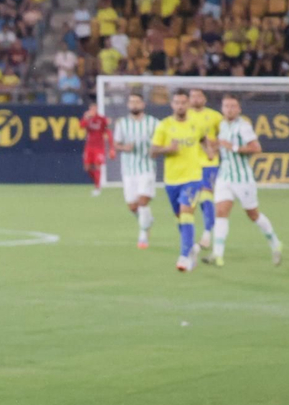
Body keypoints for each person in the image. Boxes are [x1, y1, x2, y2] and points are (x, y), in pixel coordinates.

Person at [212, 95, 284, 267]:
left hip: (242, 178)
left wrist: (233, 147)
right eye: (226, 106)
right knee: (221, 212)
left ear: (239, 109)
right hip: (224, 176)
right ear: (222, 108)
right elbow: (220, 150)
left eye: (233, 106)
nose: (229, 109)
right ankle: (217, 254)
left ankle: (275, 242)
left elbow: (256, 148)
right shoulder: (221, 126)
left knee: (253, 214)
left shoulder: (243, 127)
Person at [150, 88, 206, 272]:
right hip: (172, 180)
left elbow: (204, 140)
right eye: (177, 102)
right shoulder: (164, 125)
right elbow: (152, 152)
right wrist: (168, 149)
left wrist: (211, 151)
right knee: (179, 217)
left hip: (193, 177)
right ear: (172, 104)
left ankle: (184, 256)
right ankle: (191, 251)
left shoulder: (197, 124)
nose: (181, 106)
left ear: (188, 104)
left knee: (186, 212)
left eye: (184, 102)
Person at [112, 92, 158, 249]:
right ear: (128, 105)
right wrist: (124, 147)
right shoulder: (122, 123)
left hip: (146, 167)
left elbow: (160, 142)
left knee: (143, 201)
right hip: (129, 169)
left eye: (137, 101)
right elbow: (116, 144)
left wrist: (155, 149)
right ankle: (146, 220)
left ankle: (143, 234)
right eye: (131, 102)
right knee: (132, 206)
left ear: (143, 104)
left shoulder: (153, 123)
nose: (134, 104)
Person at [186, 87, 223, 250]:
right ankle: (203, 230)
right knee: (196, 200)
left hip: (209, 164)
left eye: (198, 96)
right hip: (190, 164)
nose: (195, 99)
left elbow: (225, 137)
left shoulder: (215, 116)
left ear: (204, 99)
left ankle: (207, 234)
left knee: (206, 197)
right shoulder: (184, 117)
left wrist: (213, 148)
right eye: (192, 96)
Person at [81, 101, 112, 196]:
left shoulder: (102, 119)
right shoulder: (88, 119)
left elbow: (108, 132)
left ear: (97, 109)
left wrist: (111, 147)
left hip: (99, 147)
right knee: (87, 168)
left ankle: (97, 187)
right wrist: (85, 118)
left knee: (97, 166)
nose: (92, 111)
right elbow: (80, 126)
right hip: (89, 147)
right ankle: (96, 183)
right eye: (91, 109)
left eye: (94, 109)